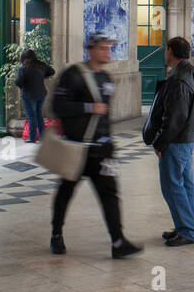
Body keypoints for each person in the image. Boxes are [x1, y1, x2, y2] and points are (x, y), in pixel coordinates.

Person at [48, 33, 142, 259]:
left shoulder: (106, 78)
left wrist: (110, 144)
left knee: (110, 195)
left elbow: (104, 117)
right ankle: (56, 234)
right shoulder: (73, 75)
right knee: (65, 192)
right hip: (76, 149)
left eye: (109, 48)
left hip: (101, 150)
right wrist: (88, 107)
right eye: (103, 48)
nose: (107, 52)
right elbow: (58, 107)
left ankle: (118, 241)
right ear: (91, 50)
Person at [147, 36, 194, 246]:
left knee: (171, 186)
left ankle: (188, 230)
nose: (165, 54)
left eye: (166, 50)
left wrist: (160, 142)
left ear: (170, 51)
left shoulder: (179, 78)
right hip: (187, 139)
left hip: (176, 141)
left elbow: (174, 117)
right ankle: (186, 225)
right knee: (185, 185)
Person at [14, 49, 55, 144]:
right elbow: (52, 71)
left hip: (29, 95)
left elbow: (18, 82)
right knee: (39, 115)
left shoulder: (23, 69)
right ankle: (43, 137)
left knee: (32, 116)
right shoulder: (41, 65)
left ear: (23, 58)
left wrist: (22, 85)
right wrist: (43, 75)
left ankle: (32, 137)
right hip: (41, 94)